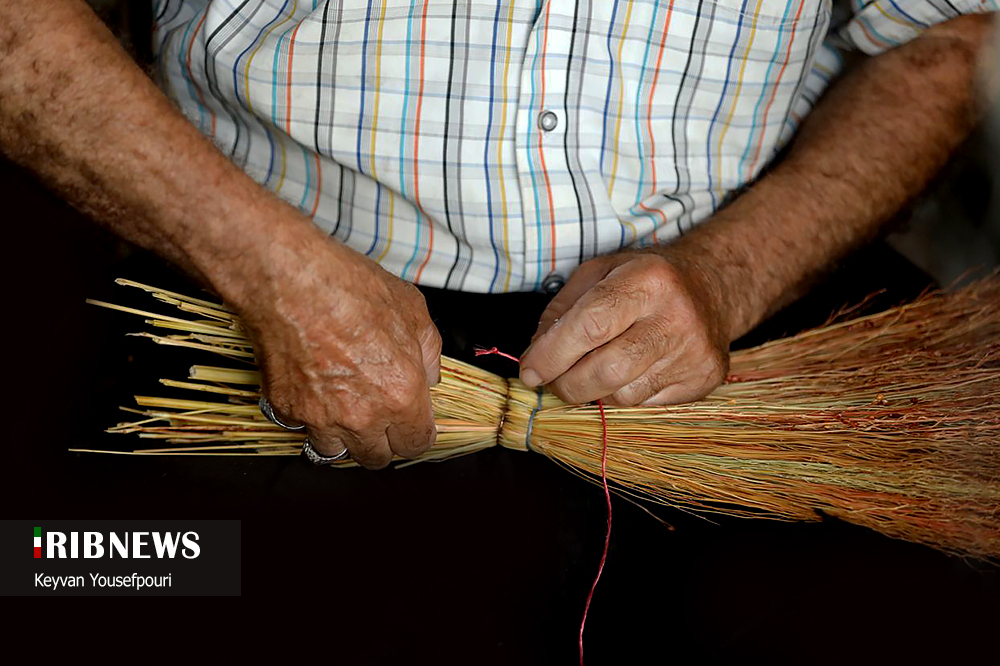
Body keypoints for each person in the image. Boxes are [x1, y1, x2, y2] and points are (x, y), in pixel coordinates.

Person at [0, 0, 995, 468]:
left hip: (716, 339)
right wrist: (269, 268)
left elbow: (942, 36)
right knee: (96, 588)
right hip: (243, 300)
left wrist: (732, 274)